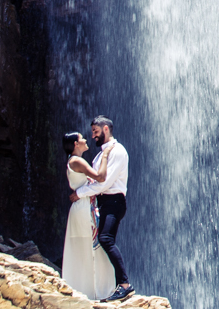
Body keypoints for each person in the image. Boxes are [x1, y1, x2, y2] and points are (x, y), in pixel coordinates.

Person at [70, 115, 134, 303]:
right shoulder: (101, 154)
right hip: (105, 202)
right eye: (92, 133)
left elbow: (103, 183)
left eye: (96, 132)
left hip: (114, 201)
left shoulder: (118, 151)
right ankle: (109, 286)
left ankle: (124, 285)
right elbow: (96, 179)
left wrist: (80, 193)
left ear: (106, 129)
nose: (93, 136)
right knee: (101, 242)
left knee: (105, 239)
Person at [60, 131, 116, 300]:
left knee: (85, 248)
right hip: (84, 209)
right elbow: (100, 177)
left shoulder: (73, 161)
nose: (85, 140)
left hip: (84, 206)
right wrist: (105, 155)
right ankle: (93, 292)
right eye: (81, 138)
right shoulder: (76, 160)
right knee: (89, 248)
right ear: (76, 144)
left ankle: (86, 290)